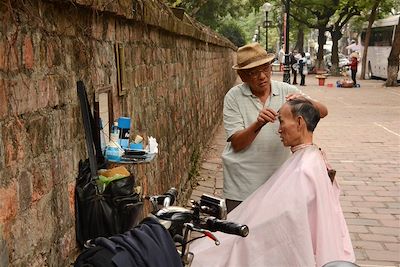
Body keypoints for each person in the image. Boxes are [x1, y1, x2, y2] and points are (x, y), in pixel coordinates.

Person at [191, 98, 355, 267]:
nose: (279, 130)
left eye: (282, 122)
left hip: (270, 232)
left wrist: (255, 226)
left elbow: (287, 217)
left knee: (223, 248)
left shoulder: (304, 169)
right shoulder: (312, 159)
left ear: (299, 122)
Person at [222, 43, 328, 213]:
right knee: (240, 235)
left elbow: (323, 112)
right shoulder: (234, 97)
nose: (262, 76)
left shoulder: (286, 91)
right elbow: (237, 144)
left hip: (279, 181)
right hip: (242, 184)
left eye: (266, 69)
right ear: (242, 76)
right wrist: (258, 124)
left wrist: (306, 101)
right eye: (254, 73)